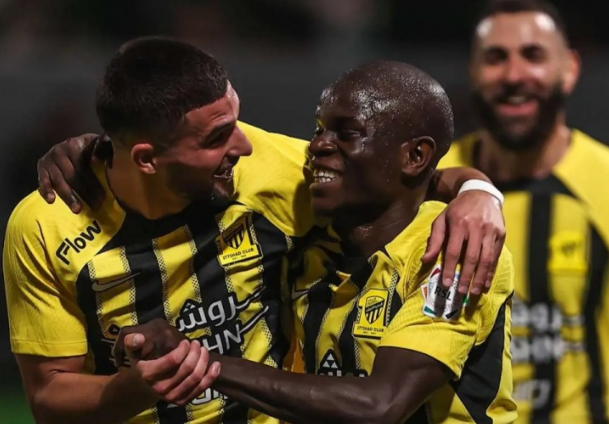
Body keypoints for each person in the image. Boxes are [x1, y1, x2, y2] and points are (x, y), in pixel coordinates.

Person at [16, 39, 505, 424]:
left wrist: (478, 191)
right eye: (216, 137)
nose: (246, 144)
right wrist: (139, 386)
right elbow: (49, 396)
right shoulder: (48, 222)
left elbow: (400, 177)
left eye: (237, 119)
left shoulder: (454, 250)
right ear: (145, 158)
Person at [437, 0, 609, 423]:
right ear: (473, 72)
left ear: (569, 68)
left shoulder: (604, 182)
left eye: (533, 55)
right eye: (496, 58)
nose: (514, 75)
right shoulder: (432, 185)